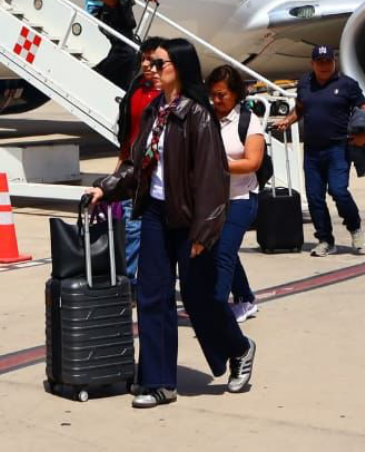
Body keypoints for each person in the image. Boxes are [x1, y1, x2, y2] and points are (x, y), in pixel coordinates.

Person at [88, 38, 255, 406]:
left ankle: (239, 349)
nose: (151, 68)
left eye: (159, 62)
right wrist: (107, 187)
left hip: (190, 219)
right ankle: (159, 382)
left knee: (200, 299)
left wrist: (205, 231)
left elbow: (213, 179)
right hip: (154, 213)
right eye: (149, 62)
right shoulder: (154, 113)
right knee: (152, 295)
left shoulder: (196, 114)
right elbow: (135, 163)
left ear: (178, 68)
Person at [275, 44, 365, 257]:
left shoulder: (347, 85)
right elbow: (300, 108)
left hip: (338, 148)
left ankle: (355, 228)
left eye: (328, 62)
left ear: (334, 62)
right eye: (320, 62)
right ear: (313, 64)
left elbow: (364, 110)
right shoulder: (305, 83)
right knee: (315, 197)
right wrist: (288, 120)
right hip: (312, 150)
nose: (324, 66)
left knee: (338, 191)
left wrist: (364, 134)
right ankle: (325, 239)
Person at [206, 65, 264, 322]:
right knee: (221, 249)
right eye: (213, 95)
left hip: (242, 199)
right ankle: (245, 298)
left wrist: (217, 164)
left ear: (236, 94)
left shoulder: (249, 121)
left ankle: (216, 312)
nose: (216, 101)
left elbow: (253, 162)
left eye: (222, 95)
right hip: (214, 200)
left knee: (223, 254)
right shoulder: (206, 117)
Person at [113, 37, 167, 287]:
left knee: (145, 229)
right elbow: (129, 133)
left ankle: (138, 280)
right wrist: (120, 166)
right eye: (143, 58)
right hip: (132, 169)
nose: (146, 64)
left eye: (152, 59)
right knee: (130, 226)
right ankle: (130, 281)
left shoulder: (172, 95)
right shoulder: (136, 89)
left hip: (158, 173)